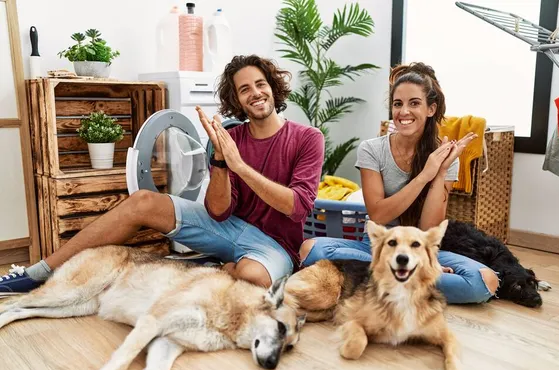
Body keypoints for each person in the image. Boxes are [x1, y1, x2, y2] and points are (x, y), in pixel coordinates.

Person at [0, 54, 325, 295]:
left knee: (254, 277)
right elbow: (218, 210)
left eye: (260, 84)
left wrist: (240, 165)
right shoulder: (230, 138)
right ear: (237, 100)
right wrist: (222, 162)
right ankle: (39, 273)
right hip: (230, 230)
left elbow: (297, 206)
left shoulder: (308, 138)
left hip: (275, 246)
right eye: (244, 89)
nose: (254, 93)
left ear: (273, 88)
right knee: (142, 200)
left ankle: (217, 268)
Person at [299, 62, 499, 304]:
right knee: (311, 249)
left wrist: (440, 171)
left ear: (430, 109)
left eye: (414, 103)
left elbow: (428, 228)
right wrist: (424, 175)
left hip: (419, 251)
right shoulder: (372, 149)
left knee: (484, 280)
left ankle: (385, 283)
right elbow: (379, 214)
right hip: (376, 249)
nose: (404, 112)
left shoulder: (444, 157)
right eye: (398, 104)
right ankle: (413, 283)